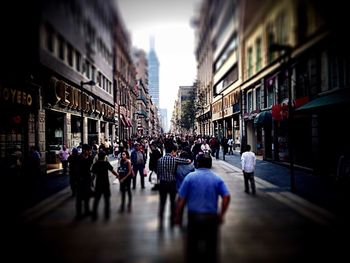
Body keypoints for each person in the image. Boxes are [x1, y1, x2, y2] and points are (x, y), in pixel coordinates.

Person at [175, 152, 230, 263]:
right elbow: (226, 197)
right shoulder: (216, 178)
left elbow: (181, 199)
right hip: (211, 217)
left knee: (192, 247)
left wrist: (178, 215)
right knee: (211, 248)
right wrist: (221, 214)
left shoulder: (190, 178)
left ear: (197, 163)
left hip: (194, 217)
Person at [156, 144, 191, 229]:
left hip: (162, 183)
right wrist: (189, 160)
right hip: (172, 183)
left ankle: (161, 218)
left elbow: (158, 172)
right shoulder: (174, 159)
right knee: (172, 202)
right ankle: (172, 218)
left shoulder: (160, 160)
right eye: (175, 152)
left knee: (162, 202)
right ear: (172, 151)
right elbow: (187, 161)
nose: (176, 153)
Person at [91, 150, 118, 220]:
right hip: (106, 184)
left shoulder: (95, 164)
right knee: (106, 199)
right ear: (104, 157)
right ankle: (107, 214)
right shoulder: (106, 163)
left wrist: (91, 183)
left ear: (98, 157)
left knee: (96, 199)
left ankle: (94, 214)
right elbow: (112, 171)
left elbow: (93, 175)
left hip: (98, 184)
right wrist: (117, 175)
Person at [75, 144, 94, 220]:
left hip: (87, 180)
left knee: (87, 197)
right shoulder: (79, 159)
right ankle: (79, 214)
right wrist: (78, 180)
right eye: (89, 150)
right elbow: (76, 171)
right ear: (84, 151)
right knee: (79, 198)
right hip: (80, 181)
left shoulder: (89, 158)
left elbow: (89, 169)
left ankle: (87, 211)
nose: (90, 151)